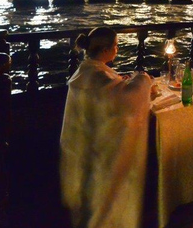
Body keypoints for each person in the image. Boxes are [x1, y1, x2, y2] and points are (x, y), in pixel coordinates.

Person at [60, 27, 153, 228]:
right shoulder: (99, 77)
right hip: (100, 154)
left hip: (81, 147)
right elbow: (127, 101)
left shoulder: (84, 72)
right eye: (116, 45)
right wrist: (143, 79)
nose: (117, 49)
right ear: (105, 50)